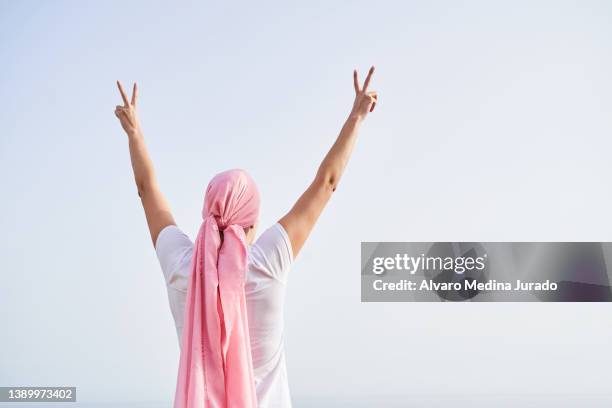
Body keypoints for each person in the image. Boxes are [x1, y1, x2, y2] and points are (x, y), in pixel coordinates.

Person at [114, 67, 378, 408]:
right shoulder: (268, 261)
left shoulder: (180, 266)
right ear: (252, 221)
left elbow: (147, 189)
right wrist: (356, 117)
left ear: (206, 212)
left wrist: (134, 133)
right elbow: (326, 183)